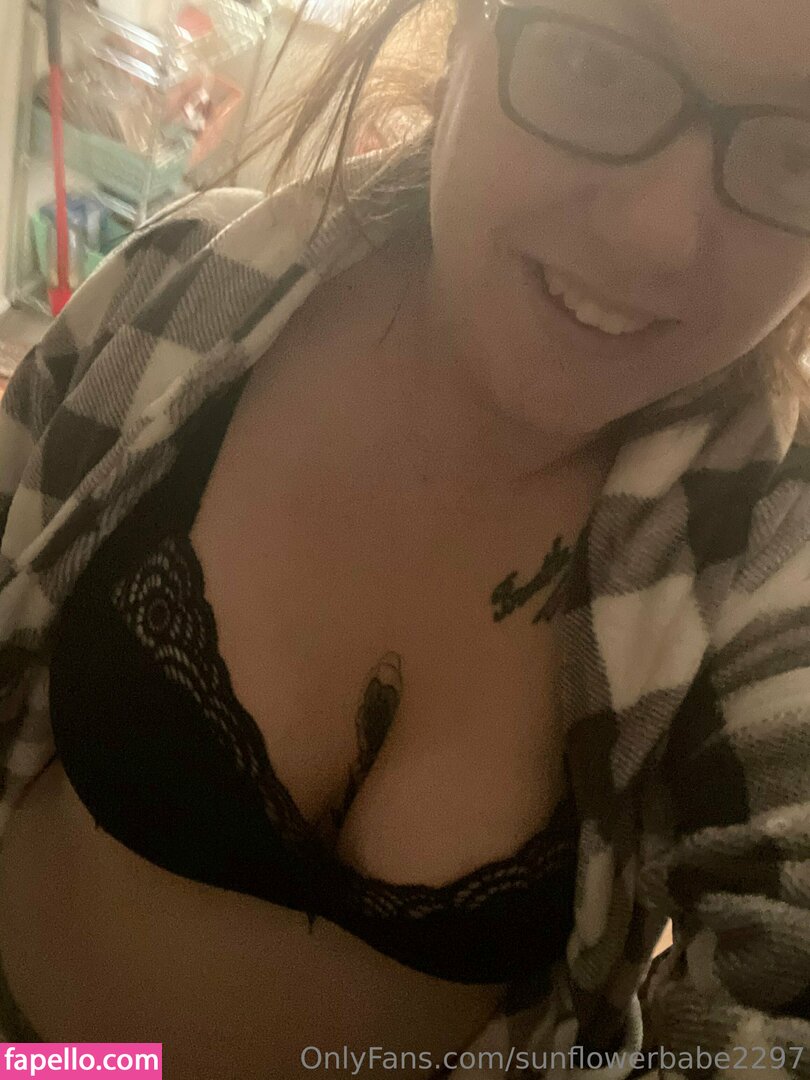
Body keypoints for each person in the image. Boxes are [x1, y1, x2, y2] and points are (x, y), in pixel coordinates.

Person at [0, 0, 808, 1076]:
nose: (657, 233)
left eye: (799, 152)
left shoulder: (767, 558)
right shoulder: (180, 289)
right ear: (466, 29)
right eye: (596, 68)